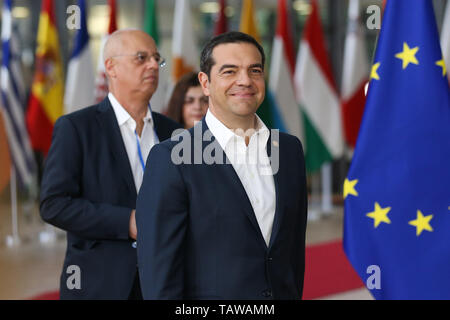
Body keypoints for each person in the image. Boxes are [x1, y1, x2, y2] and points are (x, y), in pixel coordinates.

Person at [136, 31, 308, 300]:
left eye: (255, 70)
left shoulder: (287, 150)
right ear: (205, 82)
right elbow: (160, 272)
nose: (245, 81)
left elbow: (293, 252)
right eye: (230, 71)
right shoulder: (171, 158)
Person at [40, 29, 182, 300]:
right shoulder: (77, 128)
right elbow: (53, 204)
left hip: (165, 281)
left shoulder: (174, 133)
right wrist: (127, 221)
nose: (153, 65)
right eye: (141, 58)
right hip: (100, 283)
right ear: (111, 67)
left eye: (156, 58)